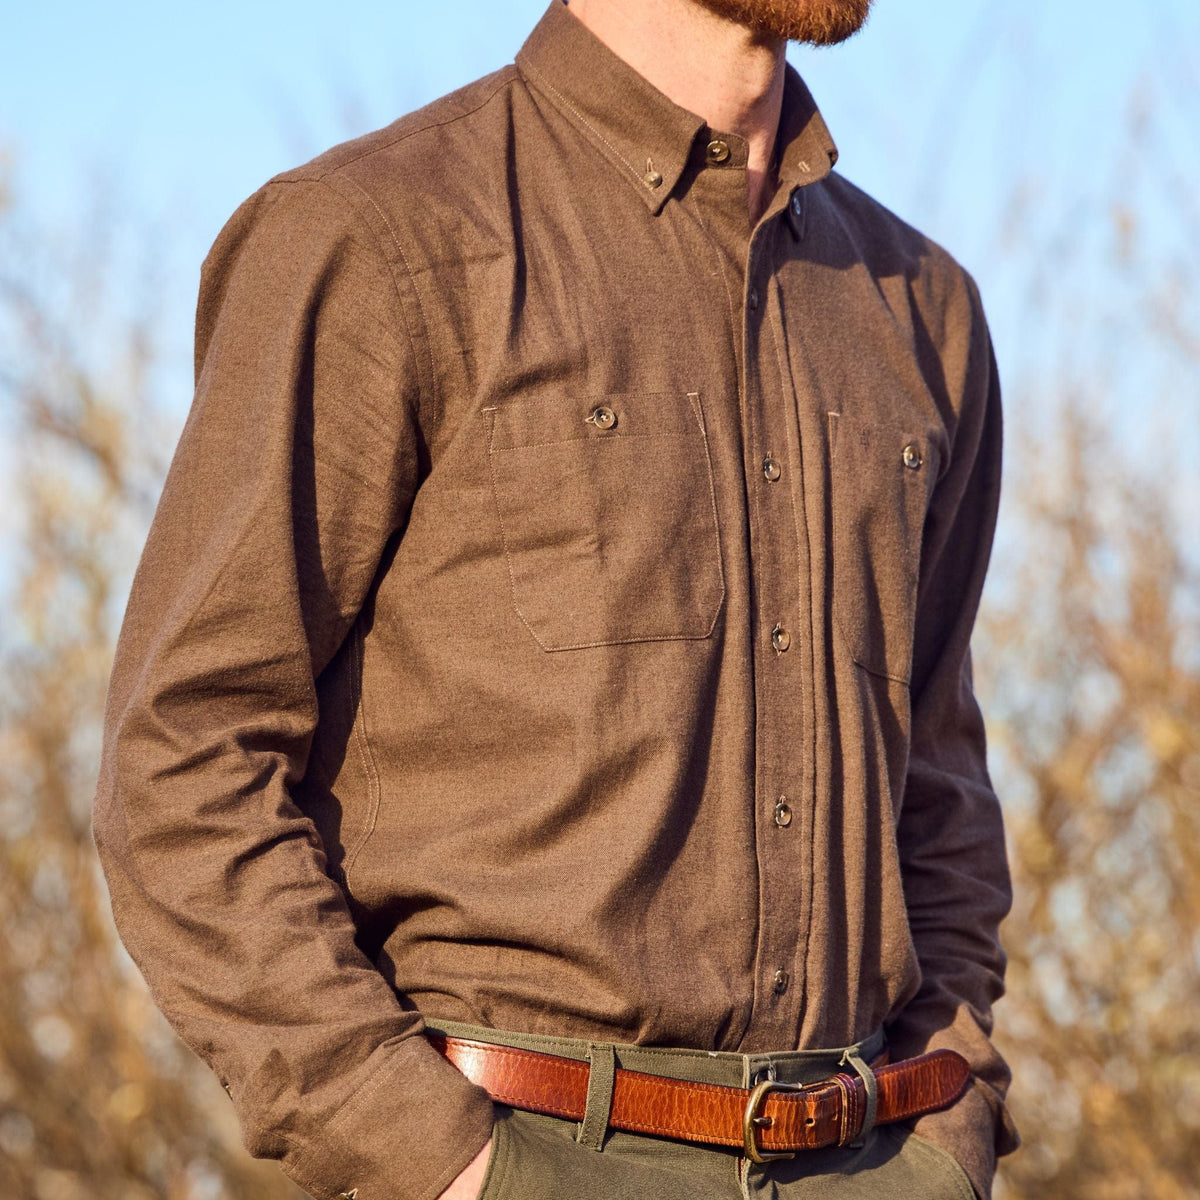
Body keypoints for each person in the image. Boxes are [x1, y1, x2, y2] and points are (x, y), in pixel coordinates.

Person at [92, 0, 1021, 1197]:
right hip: (518, 1146)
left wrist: (950, 1128)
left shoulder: (920, 309)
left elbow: (936, 779)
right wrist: (431, 1154)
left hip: (872, 1154)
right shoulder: (379, 238)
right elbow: (185, 756)